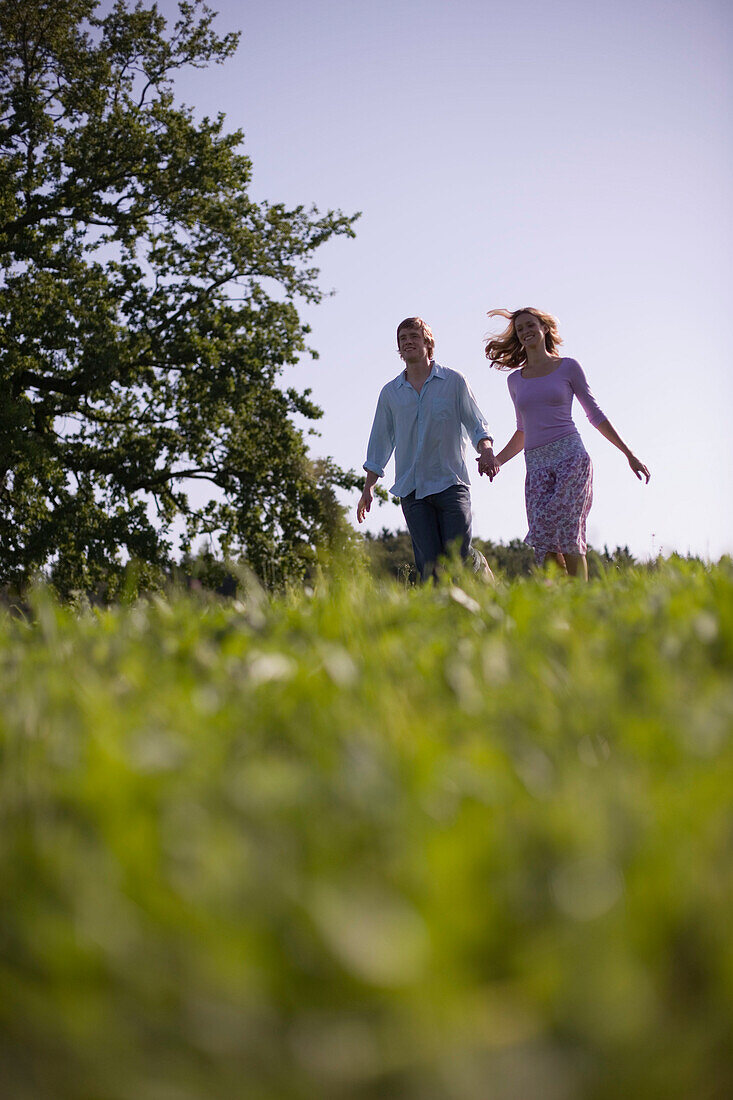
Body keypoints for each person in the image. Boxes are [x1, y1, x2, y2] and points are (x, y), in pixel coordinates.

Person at [479, 307, 649, 580]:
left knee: (569, 534)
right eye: (520, 329)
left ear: (544, 328)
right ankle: (566, 597)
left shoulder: (568, 367)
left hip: (571, 458)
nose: (525, 332)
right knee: (542, 541)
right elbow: (522, 430)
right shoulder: (515, 381)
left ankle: (580, 598)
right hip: (535, 466)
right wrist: (497, 459)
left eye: (530, 325)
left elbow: (595, 414)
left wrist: (629, 454)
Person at [357, 317, 499, 581]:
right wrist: (368, 487)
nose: (408, 342)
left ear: (427, 342)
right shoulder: (391, 393)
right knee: (429, 566)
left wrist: (487, 450)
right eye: (402, 339)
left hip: (450, 482)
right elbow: (380, 442)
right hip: (412, 490)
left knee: (459, 556)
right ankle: (439, 618)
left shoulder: (453, 381)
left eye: (413, 336)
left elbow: (476, 423)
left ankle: (478, 569)